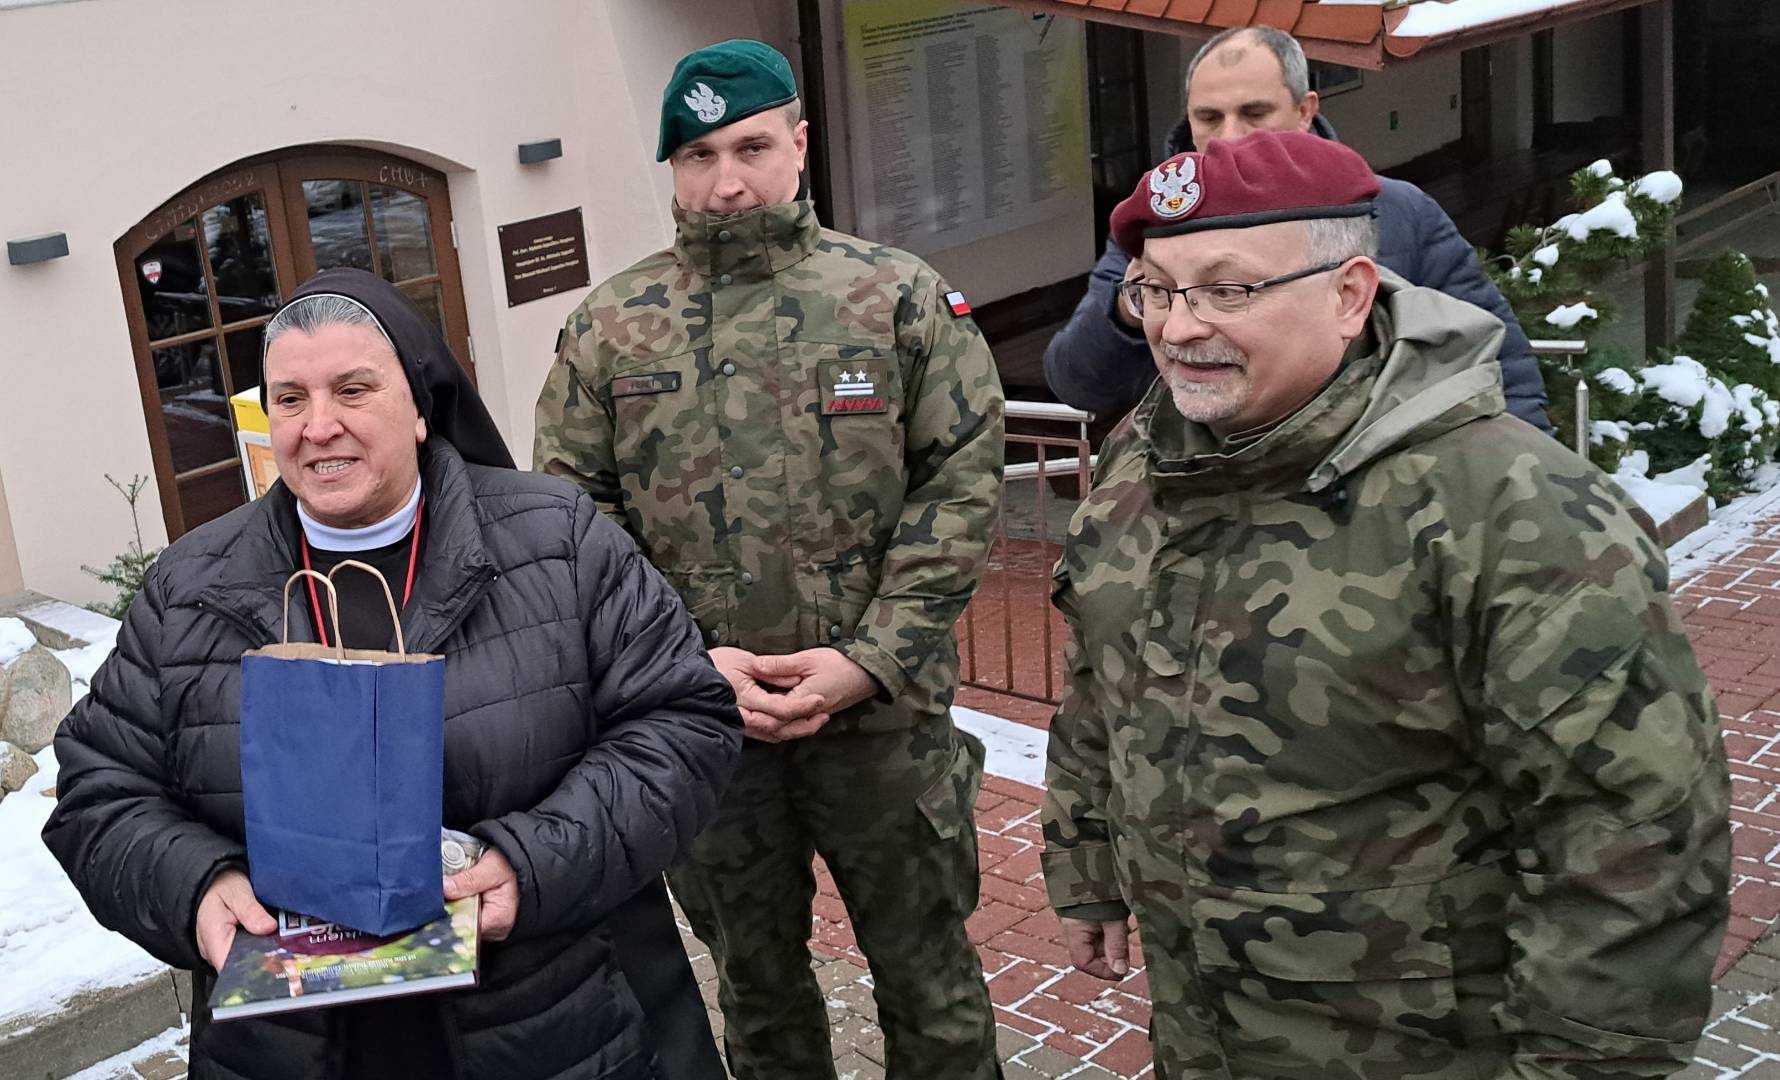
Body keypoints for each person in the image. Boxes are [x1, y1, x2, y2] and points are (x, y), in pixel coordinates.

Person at [1041, 131, 1730, 1078]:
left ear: (1350, 293)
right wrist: (1086, 862)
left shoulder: (1516, 509)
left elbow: (1633, 837)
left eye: (1227, 289)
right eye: (1154, 290)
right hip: (1201, 1031)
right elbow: (1099, 681)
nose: (1179, 327)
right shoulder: (1146, 460)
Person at [42, 268, 742, 1080]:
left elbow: (683, 721)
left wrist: (530, 864)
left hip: (549, 1022)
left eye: (353, 389)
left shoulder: (560, 542)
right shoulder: (188, 587)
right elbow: (100, 790)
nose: (319, 426)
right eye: (290, 399)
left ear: (418, 406)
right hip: (293, 1046)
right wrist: (195, 886)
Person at [534, 39, 1005, 1080]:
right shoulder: (609, 328)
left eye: (750, 147)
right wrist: (686, 667)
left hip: (883, 727)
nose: (727, 182)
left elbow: (961, 483)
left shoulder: (896, 298)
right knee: (755, 987)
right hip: (708, 731)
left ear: (799, 143)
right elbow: (575, 523)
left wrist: (871, 659)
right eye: (697, 157)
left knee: (929, 979)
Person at [1044, 26, 1551, 431]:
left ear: (1306, 110)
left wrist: (1519, 492)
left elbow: (1500, 365)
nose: (1230, 137)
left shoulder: (1398, 211)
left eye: (1254, 113)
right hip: (1210, 495)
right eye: (1209, 117)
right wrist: (1133, 305)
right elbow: (1078, 384)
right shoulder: (1156, 228)